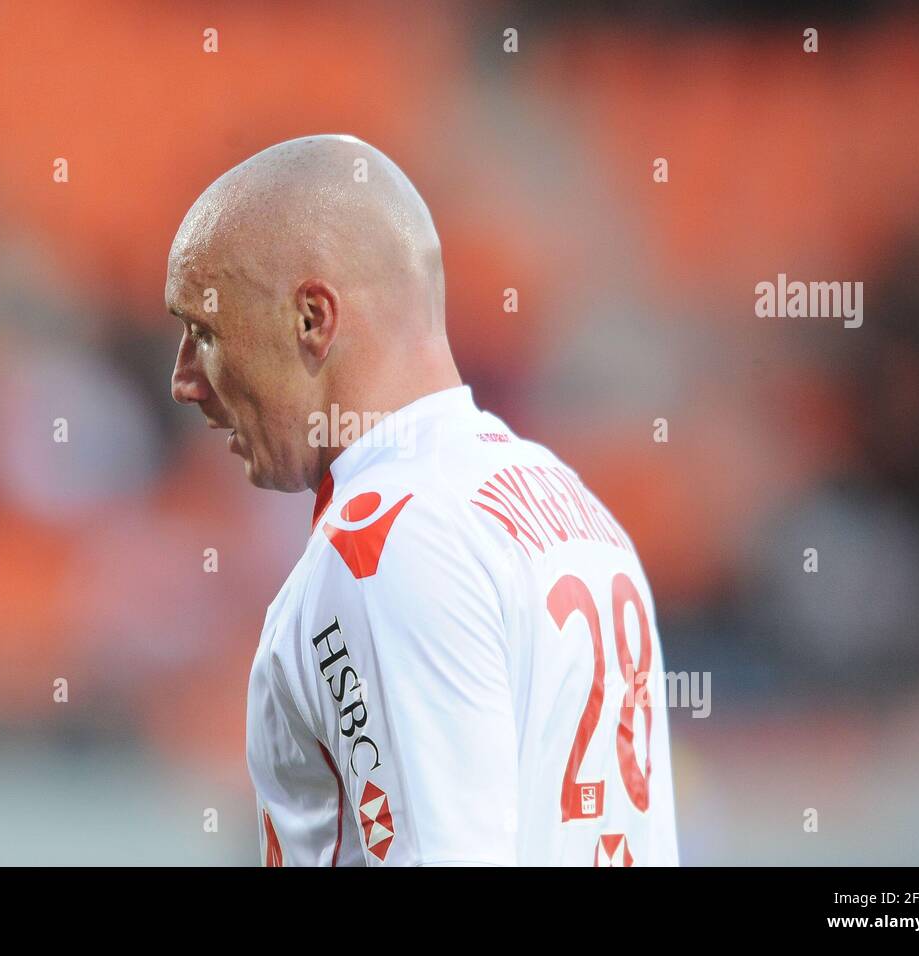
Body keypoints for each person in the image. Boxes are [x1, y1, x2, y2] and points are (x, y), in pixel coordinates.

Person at [168, 134, 679, 866]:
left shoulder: (379, 551)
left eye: (203, 332)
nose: (185, 380)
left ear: (312, 319)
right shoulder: (571, 507)